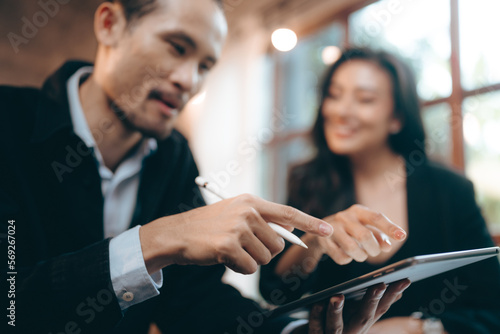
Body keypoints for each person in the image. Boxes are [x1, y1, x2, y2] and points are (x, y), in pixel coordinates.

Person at [0, 2, 411, 334]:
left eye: (205, 66)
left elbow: (195, 305)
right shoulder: (8, 123)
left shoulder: (174, 155)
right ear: (110, 25)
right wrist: (157, 240)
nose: (188, 80)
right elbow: (12, 304)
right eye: (177, 47)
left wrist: (299, 331)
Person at [260, 48, 500, 334]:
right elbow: (275, 291)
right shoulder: (310, 181)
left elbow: (492, 309)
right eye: (334, 95)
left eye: (365, 99)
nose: (341, 111)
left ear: (397, 117)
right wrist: (315, 238)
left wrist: (419, 329)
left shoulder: (449, 190)